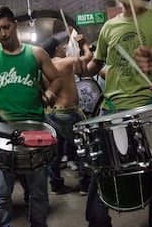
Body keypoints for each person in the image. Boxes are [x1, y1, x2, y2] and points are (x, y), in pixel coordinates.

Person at [84, 0, 152, 227]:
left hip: (149, 109)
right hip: (111, 110)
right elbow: (95, 66)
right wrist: (81, 65)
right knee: (102, 175)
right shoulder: (108, 27)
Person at [0, 5, 62, 227]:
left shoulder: (36, 53)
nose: (3, 34)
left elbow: (57, 78)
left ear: (15, 24)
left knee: (38, 191)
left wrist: (50, 92)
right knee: (2, 192)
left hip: (34, 129)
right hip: (2, 130)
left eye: (6, 27)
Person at [40, 35, 92, 196]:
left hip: (51, 113)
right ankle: (85, 185)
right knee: (83, 146)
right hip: (68, 113)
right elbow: (88, 58)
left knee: (55, 153)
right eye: (61, 47)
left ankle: (56, 184)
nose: (63, 50)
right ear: (56, 49)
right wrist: (83, 43)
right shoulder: (66, 62)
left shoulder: (43, 68)